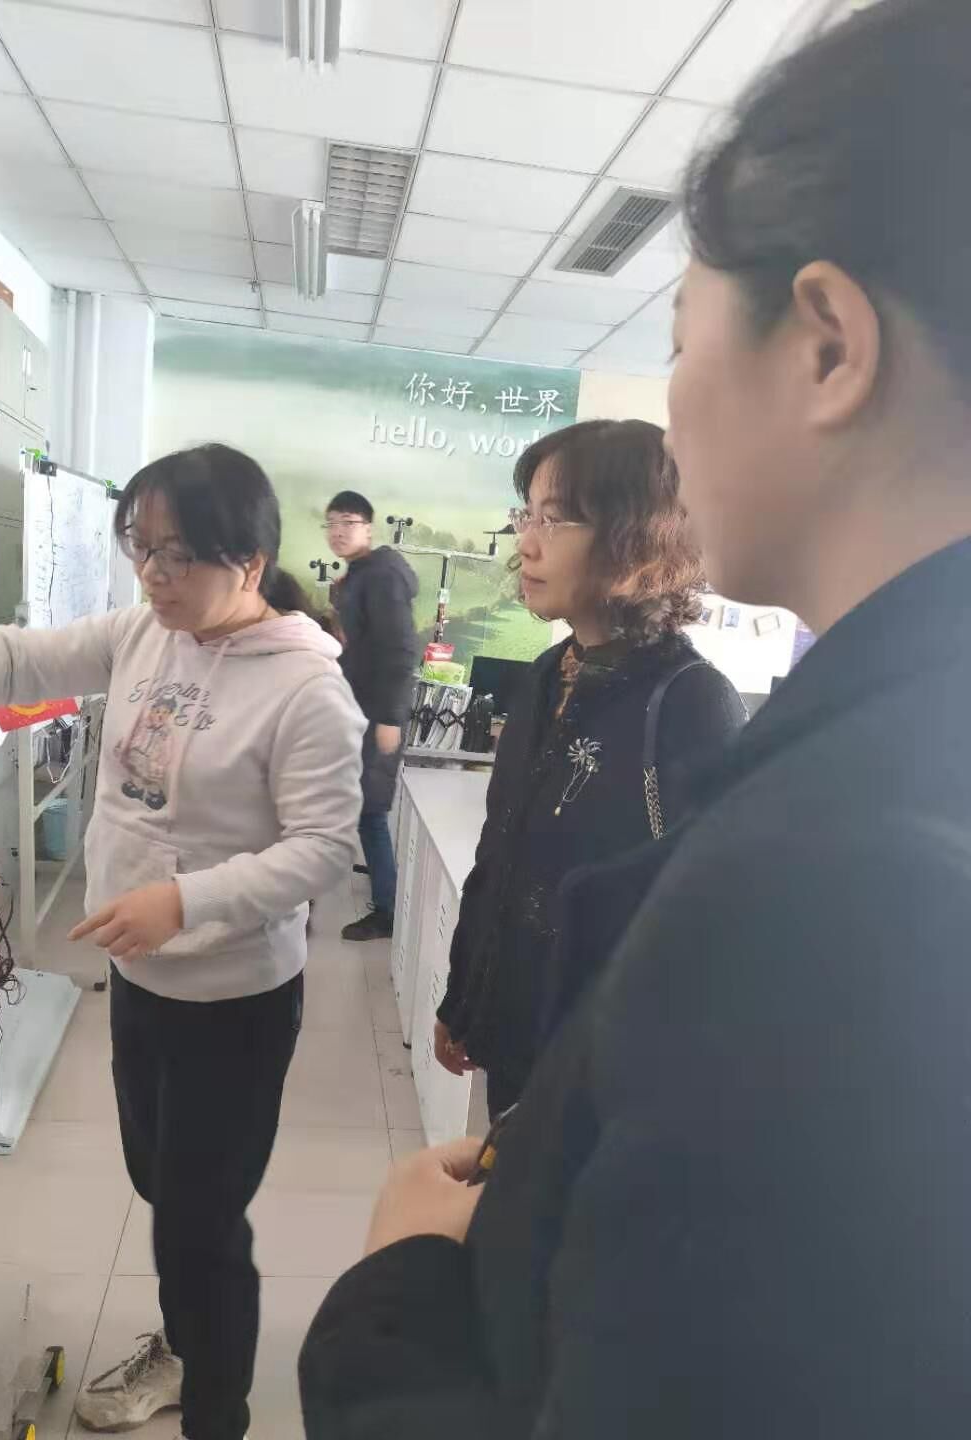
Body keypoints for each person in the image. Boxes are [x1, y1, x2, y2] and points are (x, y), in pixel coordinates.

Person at [299, 1, 971, 1434]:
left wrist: (395, 1298)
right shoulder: (877, 758)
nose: (675, 419)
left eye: (678, 341)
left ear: (828, 348)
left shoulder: (838, 870)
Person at [0, 443, 365, 1440]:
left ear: (249, 557)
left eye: (177, 554)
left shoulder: (307, 691)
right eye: (140, 549)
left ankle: (215, 1409)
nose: (153, 575)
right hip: (141, 981)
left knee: (201, 1224)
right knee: (160, 1182)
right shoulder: (146, 632)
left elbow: (324, 849)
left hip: (234, 1001)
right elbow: (16, 656)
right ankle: (188, 1345)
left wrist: (185, 902)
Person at [435, 419, 745, 1116]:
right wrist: (463, 996)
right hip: (515, 1032)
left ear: (638, 536)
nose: (527, 542)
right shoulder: (548, 673)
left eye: (556, 519)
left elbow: (710, 932)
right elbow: (500, 850)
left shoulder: (691, 702)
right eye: (527, 515)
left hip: (608, 1074)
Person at [325, 490, 418, 941]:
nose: (338, 532)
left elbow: (400, 648)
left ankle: (388, 911)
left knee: (370, 812)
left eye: (348, 522)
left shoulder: (381, 576)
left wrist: (390, 719)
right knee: (358, 809)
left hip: (376, 715)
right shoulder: (361, 575)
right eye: (331, 524)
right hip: (357, 710)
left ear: (369, 528)